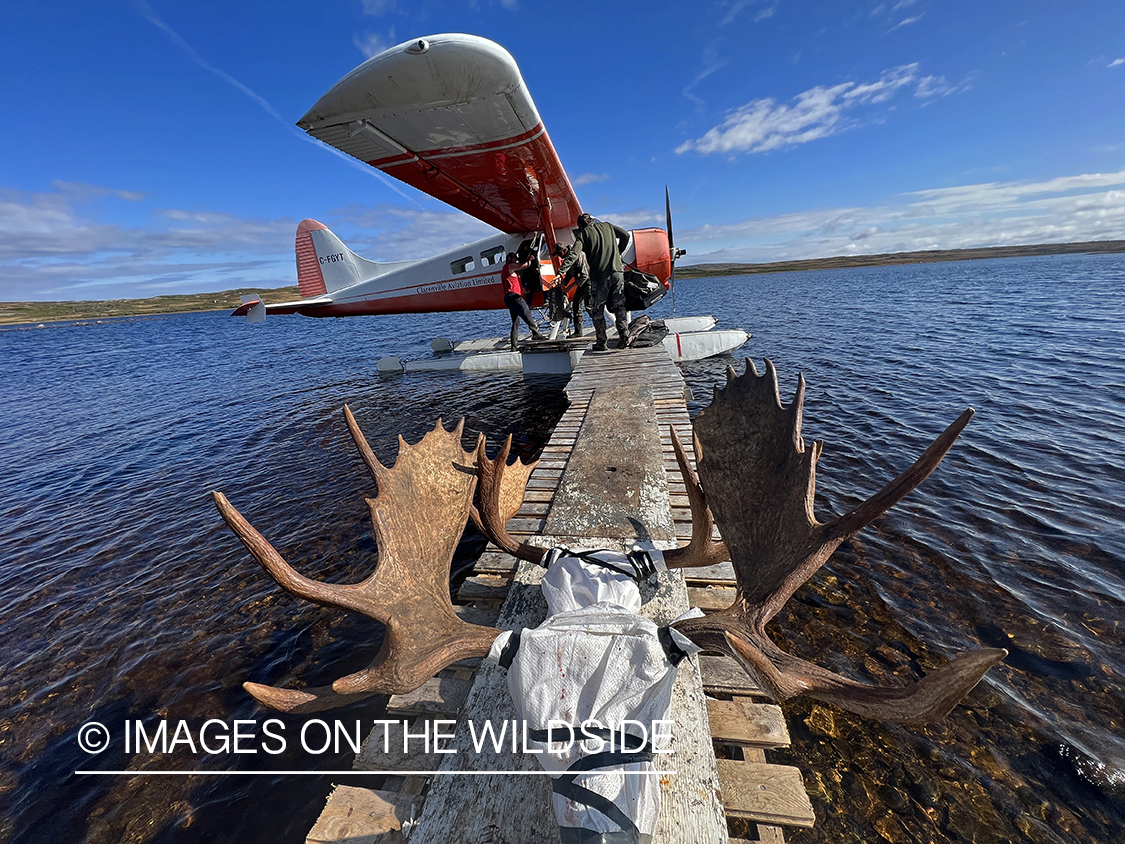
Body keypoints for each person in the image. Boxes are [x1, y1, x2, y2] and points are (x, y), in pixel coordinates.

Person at [556, 213, 630, 350]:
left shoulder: (583, 235)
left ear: (581, 226)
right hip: (618, 272)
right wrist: (618, 253)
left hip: (600, 276)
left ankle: (601, 342)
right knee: (619, 305)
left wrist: (561, 271)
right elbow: (625, 235)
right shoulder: (608, 226)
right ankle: (624, 333)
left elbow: (573, 254)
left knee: (597, 309)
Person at [501, 251, 545, 350]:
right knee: (527, 313)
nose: (515, 260)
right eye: (513, 258)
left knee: (516, 322)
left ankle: (514, 346)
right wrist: (529, 260)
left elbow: (512, 284)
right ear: (510, 259)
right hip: (514, 297)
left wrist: (524, 290)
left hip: (509, 297)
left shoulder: (509, 270)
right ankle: (536, 334)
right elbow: (524, 265)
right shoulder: (510, 266)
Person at [552, 242, 591, 337]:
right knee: (576, 306)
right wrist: (563, 284)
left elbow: (584, 276)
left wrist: (569, 288)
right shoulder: (568, 259)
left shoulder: (578, 255)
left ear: (564, 251)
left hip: (588, 283)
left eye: (559, 254)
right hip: (581, 284)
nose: (559, 257)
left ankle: (600, 329)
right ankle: (578, 332)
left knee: (590, 307)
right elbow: (569, 274)